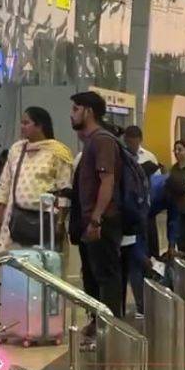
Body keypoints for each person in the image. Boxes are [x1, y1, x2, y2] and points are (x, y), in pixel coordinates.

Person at [68, 91, 125, 328]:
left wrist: (96, 219)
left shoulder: (102, 140)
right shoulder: (91, 141)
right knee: (93, 275)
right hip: (91, 221)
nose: (71, 114)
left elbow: (107, 181)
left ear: (89, 112)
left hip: (102, 222)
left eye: (75, 109)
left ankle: (110, 329)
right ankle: (98, 325)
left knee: (106, 277)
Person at [0, 107, 74, 251]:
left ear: (40, 126)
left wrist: (60, 223)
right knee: (11, 260)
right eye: (21, 123)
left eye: (26, 123)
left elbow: (65, 190)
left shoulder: (58, 152)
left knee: (43, 260)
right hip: (14, 219)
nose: (22, 127)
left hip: (46, 222)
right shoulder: (16, 149)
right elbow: (4, 184)